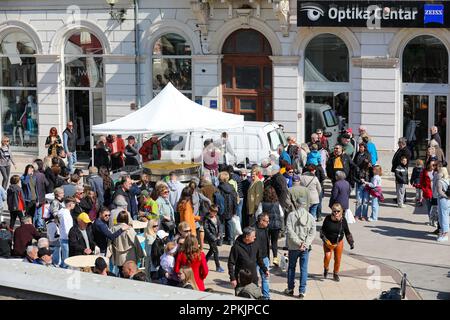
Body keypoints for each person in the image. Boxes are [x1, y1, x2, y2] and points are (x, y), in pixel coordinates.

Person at [284, 203, 316, 299]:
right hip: (305, 248)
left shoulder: (291, 215)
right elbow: (312, 233)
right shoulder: (310, 217)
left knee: (291, 268)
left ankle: (290, 289)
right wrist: (305, 244)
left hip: (294, 247)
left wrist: (298, 243)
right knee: (304, 269)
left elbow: (289, 231)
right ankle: (302, 291)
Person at [227, 227, 269, 292]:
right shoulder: (236, 247)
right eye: (253, 236)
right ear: (247, 237)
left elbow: (259, 259)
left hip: (253, 278)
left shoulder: (255, 244)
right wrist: (232, 278)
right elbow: (230, 263)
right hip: (241, 279)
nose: (255, 237)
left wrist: (264, 269)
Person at [320, 203, 355, 282]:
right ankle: (326, 268)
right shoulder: (328, 218)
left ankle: (335, 274)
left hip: (338, 242)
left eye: (338, 211)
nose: (336, 213)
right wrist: (325, 240)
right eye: (334, 211)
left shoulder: (343, 220)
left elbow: (347, 232)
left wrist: (351, 242)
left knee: (338, 259)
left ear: (341, 211)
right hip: (328, 242)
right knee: (327, 257)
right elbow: (322, 231)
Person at [111, 211, 145, 276]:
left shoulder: (113, 228)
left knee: (121, 272)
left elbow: (110, 243)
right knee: (131, 274)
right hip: (129, 257)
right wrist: (141, 254)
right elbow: (136, 242)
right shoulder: (129, 229)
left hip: (119, 257)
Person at [255, 187, 283, 266]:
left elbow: (258, 214)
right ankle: (275, 258)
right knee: (274, 242)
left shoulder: (262, 203)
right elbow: (282, 214)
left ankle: (267, 258)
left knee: (266, 243)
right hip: (276, 225)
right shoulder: (277, 203)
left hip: (266, 226)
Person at [217, 171, 238, 245]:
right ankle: (231, 240)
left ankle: (220, 241)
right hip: (230, 208)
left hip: (221, 209)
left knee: (221, 224)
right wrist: (235, 210)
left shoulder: (218, 188)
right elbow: (235, 199)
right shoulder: (232, 188)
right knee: (229, 223)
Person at [253, 212, 270, 300]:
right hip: (255, 258)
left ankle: (266, 297)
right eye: (267, 221)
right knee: (254, 278)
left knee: (265, 277)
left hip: (264, 257)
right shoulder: (253, 229)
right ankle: (255, 295)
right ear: (261, 221)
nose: (268, 223)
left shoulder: (266, 229)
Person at [204, 205, 224, 272]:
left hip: (216, 236)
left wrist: (220, 234)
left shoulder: (217, 217)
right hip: (211, 238)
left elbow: (220, 226)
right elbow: (206, 229)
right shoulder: (207, 219)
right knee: (216, 251)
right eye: (214, 212)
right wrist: (213, 237)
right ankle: (218, 266)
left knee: (211, 250)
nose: (215, 214)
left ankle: (204, 262)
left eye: (216, 212)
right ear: (210, 211)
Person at [436, 167, 449, 242]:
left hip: (442, 200)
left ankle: (445, 234)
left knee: (442, 217)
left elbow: (439, 192)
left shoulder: (440, 181)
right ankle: (444, 233)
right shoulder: (448, 180)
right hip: (448, 201)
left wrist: (446, 196)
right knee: (446, 216)